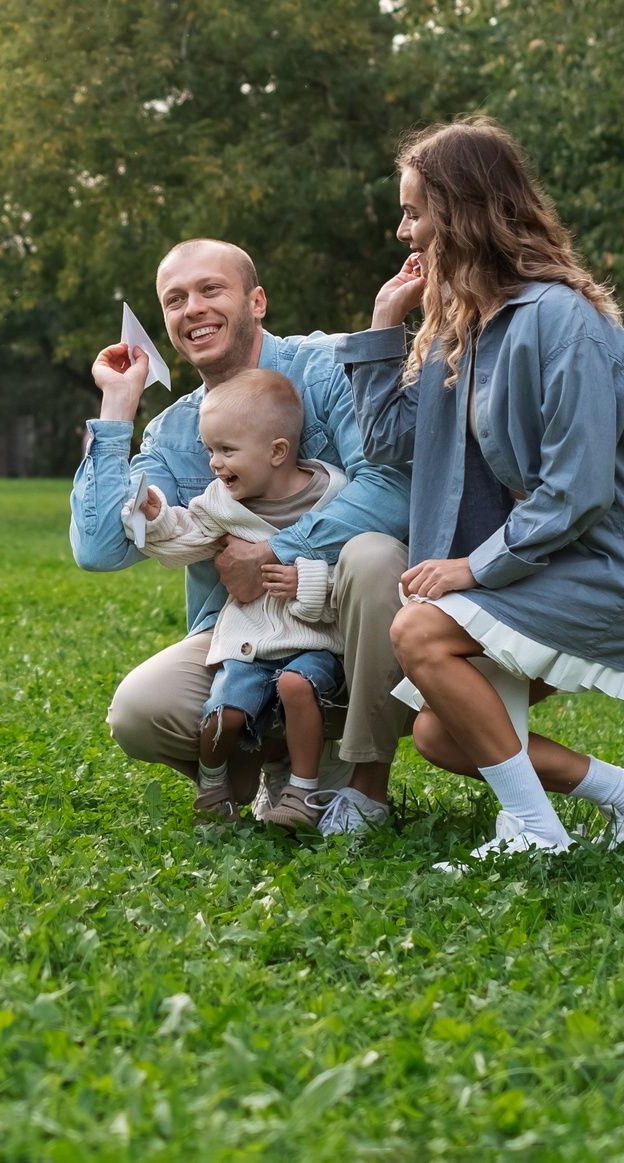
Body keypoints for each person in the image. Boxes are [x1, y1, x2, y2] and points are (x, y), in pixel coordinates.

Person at [331, 118, 624, 859]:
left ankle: (534, 832)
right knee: (444, 734)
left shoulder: (564, 321)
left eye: (414, 211)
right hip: (541, 560)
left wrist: (471, 569)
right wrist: (382, 327)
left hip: (611, 563)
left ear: (461, 210)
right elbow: (389, 444)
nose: (402, 229)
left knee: (416, 630)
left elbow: (578, 490)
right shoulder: (461, 325)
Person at [73, 239, 411, 836]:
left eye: (210, 290)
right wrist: (117, 406)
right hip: (250, 636)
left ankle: (363, 784)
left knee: (374, 552)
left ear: (257, 301)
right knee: (137, 711)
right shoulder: (176, 431)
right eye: (174, 300)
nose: (192, 308)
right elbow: (100, 548)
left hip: (353, 625)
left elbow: (393, 487)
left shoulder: (327, 370)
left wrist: (282, 550)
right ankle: (275, 758)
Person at [123, 369, 347, 830]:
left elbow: (355, 572)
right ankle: (215, 783)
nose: (214, 463)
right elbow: (188, 536)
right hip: (250, 642)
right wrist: (160, 517)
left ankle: (301, 793)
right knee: (223, 714)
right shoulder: (223, 502)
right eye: (209, 450)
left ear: (278, 451)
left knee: (298, 688)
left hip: (316, 640)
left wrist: (306, 583)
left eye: (226, 450)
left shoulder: (335, 496)